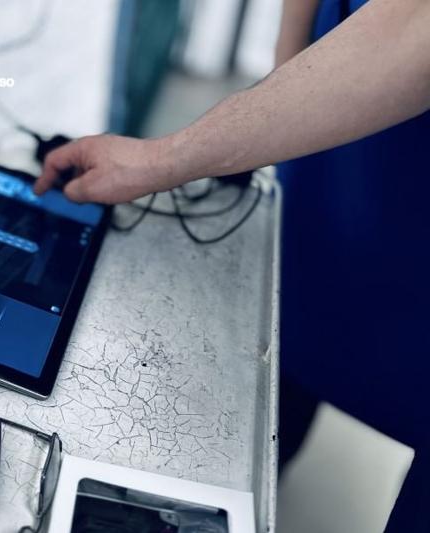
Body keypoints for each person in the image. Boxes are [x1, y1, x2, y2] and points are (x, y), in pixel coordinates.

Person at [33, 0, 430, 530]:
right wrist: (287, 98)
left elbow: (416, 28)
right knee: (280, 354)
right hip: (330, 158)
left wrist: (161, 159)